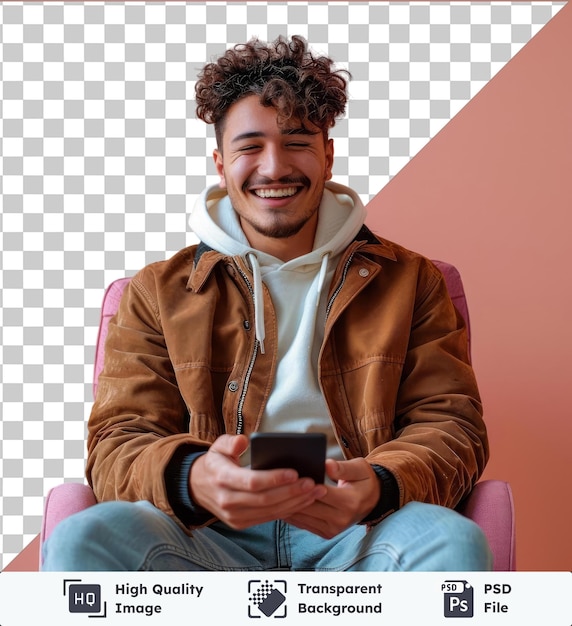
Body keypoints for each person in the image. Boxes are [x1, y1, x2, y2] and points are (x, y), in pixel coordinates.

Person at [42, 35, 492, 571]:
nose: (274, 167)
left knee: (452, 544)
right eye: (250, 146)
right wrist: (191, 478)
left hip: (359, 530)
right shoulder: (155, 293)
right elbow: (120, 439)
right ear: (220, 162)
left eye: (297, 140)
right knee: (83, 541)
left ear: (327, 154)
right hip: (205, 534)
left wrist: (378, 485)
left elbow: (450, 424)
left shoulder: (413, 281)